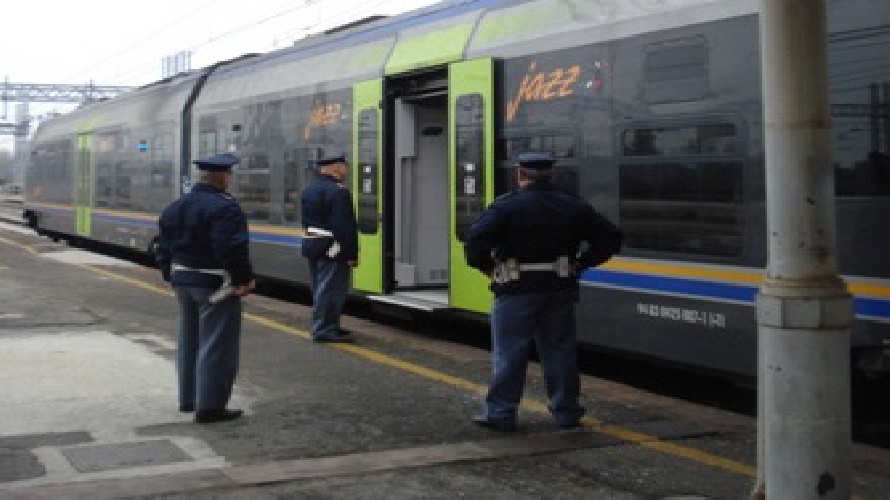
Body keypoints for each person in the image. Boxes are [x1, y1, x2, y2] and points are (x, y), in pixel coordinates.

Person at [464, 152, 623, 431]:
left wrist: (488, 268)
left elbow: (475, 240)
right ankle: (567, 413)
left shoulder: (507, 206)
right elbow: (611, 238)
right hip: (558, 288)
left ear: (520, 174)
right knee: (560, 351)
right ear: (552, 174)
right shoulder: (573, 206)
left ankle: (501, 414)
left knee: (510, 352)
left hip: (515, 289)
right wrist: (581, 263)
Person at [156, 153, 255, 424]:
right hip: (213, 284)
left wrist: (169, 274)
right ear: (223, 178)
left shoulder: (176, 206)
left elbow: (162, 246)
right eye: (229, 176)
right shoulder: (225, 208)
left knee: (189, 341)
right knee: (217, 344)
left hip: (183, 282)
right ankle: (210, 406)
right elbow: (232, 249)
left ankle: (189, 399)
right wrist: (242, 280)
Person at [300, 153, 359, 343]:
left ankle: (328, 326)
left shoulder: (310, 190)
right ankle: (324, 329)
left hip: (313, 244)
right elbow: (343, 226)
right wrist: (352, 253)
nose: (346, 170)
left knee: (320, 288)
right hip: (332, 248)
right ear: (336, 168)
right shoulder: (339, 192)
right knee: (331, 290)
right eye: (344, 166)